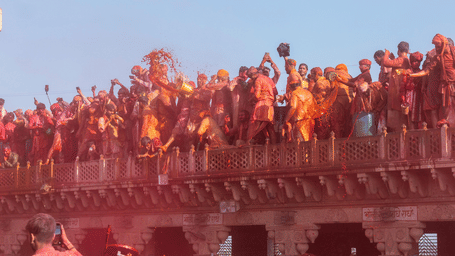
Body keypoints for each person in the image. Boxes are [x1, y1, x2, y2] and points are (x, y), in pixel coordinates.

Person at [411, 34, 455, 127]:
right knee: (446, 107)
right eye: (435, 46)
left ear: (445, 44)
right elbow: (427, 71)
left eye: (438, 46)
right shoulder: (437, 57)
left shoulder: (453, 52)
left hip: (453, 82)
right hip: (445, 85)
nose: (436, 49)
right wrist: (412, 75)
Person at [382, 41, 411, 132]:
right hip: (398, 90)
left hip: (397, 92)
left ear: (398, 50)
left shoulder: (402, 59)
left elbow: (385, 62)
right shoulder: (405, 60)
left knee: (396, 121)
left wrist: (386, 54)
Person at [246, 66, 276, 144]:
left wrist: (250, 99)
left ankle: (249, 145)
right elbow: (275, 92)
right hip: (270, 105)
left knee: (254, 124)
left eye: (250, 77)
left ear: (253, 75)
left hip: (261, 105)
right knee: (270, 128)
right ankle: (274, 148)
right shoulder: (268, 79)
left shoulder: (258, 80)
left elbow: (256, 96)